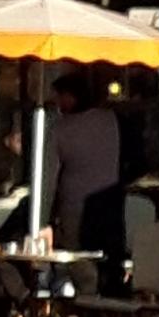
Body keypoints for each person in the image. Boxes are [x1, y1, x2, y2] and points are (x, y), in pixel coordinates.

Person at [50, 72, 123, 253]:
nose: (57, 103)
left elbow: (50, 173)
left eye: (59, 97)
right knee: (106, 258)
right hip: (110, 203)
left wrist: (48, 213)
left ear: (69, 96)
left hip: (76, 206)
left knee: (79, 259)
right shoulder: (111, 119)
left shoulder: (61, 129)